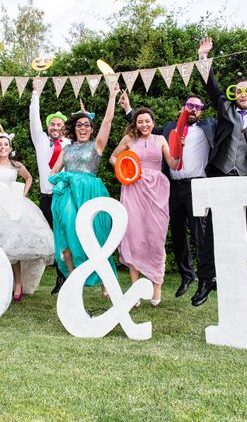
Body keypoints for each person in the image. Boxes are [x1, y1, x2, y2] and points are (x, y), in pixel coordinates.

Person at [192, 36, 247, 308]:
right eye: (239, 91)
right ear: (234, 94)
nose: (243, 94)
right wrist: (204, 58)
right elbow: (211, 86)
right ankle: (206, 280)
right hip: (221, 176)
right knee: (211, 233)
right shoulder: (225, 108)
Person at [122, 95, 216, 298]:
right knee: (178, 234)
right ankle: (187, 275)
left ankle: (206, 279)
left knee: (200, 233)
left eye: (198, 106)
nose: (193, 109)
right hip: (172, 187)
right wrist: (129, 109)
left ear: (201, 110)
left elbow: (231, 120)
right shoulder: (168, 130)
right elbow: (143, 132)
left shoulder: (209, 126)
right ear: (183, 107)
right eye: (190, 105)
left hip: (198, 185)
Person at [49, 84, 121, 291]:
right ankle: (73, 276)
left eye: (86, 125)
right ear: (74, 128)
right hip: (68, 194)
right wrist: (64, 178)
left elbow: (107, 122)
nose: (82, 128)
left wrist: (112, 96)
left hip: (90, 193)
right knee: (68, 233)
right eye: (79, 124)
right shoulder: (67, 149)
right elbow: (54, 172)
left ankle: (106, 281)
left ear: (91, 128)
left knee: (96, 235)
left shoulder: (96, 146)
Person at [110, 103, 180, 306]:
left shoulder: (160, 139)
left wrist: (180, 150)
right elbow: (113, 157)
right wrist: (125, 169)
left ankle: (156, 287)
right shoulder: (129, 140)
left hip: (157, 190)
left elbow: (173, 164)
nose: (143, 124)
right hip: (133, 189)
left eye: (147, 121)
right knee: (134, 235)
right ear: (136, 124)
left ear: (153, 122)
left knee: (155, 237)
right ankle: (135, 290)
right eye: (140, 121)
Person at [0, 130, 54, 302]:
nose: (3, 147)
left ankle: (18, 284)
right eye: (0, 144)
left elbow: (29, 178)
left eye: (6, 144)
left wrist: (23, 194)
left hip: (11, 207)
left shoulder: (16, 165)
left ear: (10, 148)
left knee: (14, 247)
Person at [29, 89, 70, 294]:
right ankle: (41, 271)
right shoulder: (41, 140)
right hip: (46, 197)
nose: (55, 127)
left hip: (63, 197)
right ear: (48, 126)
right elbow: (33, 120)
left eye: (59, 125)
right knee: (47, 237)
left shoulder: (69, 145)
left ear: (63, 128)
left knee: (64, 237)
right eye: (52, 124)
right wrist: (36, 94)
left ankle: (63, 278)